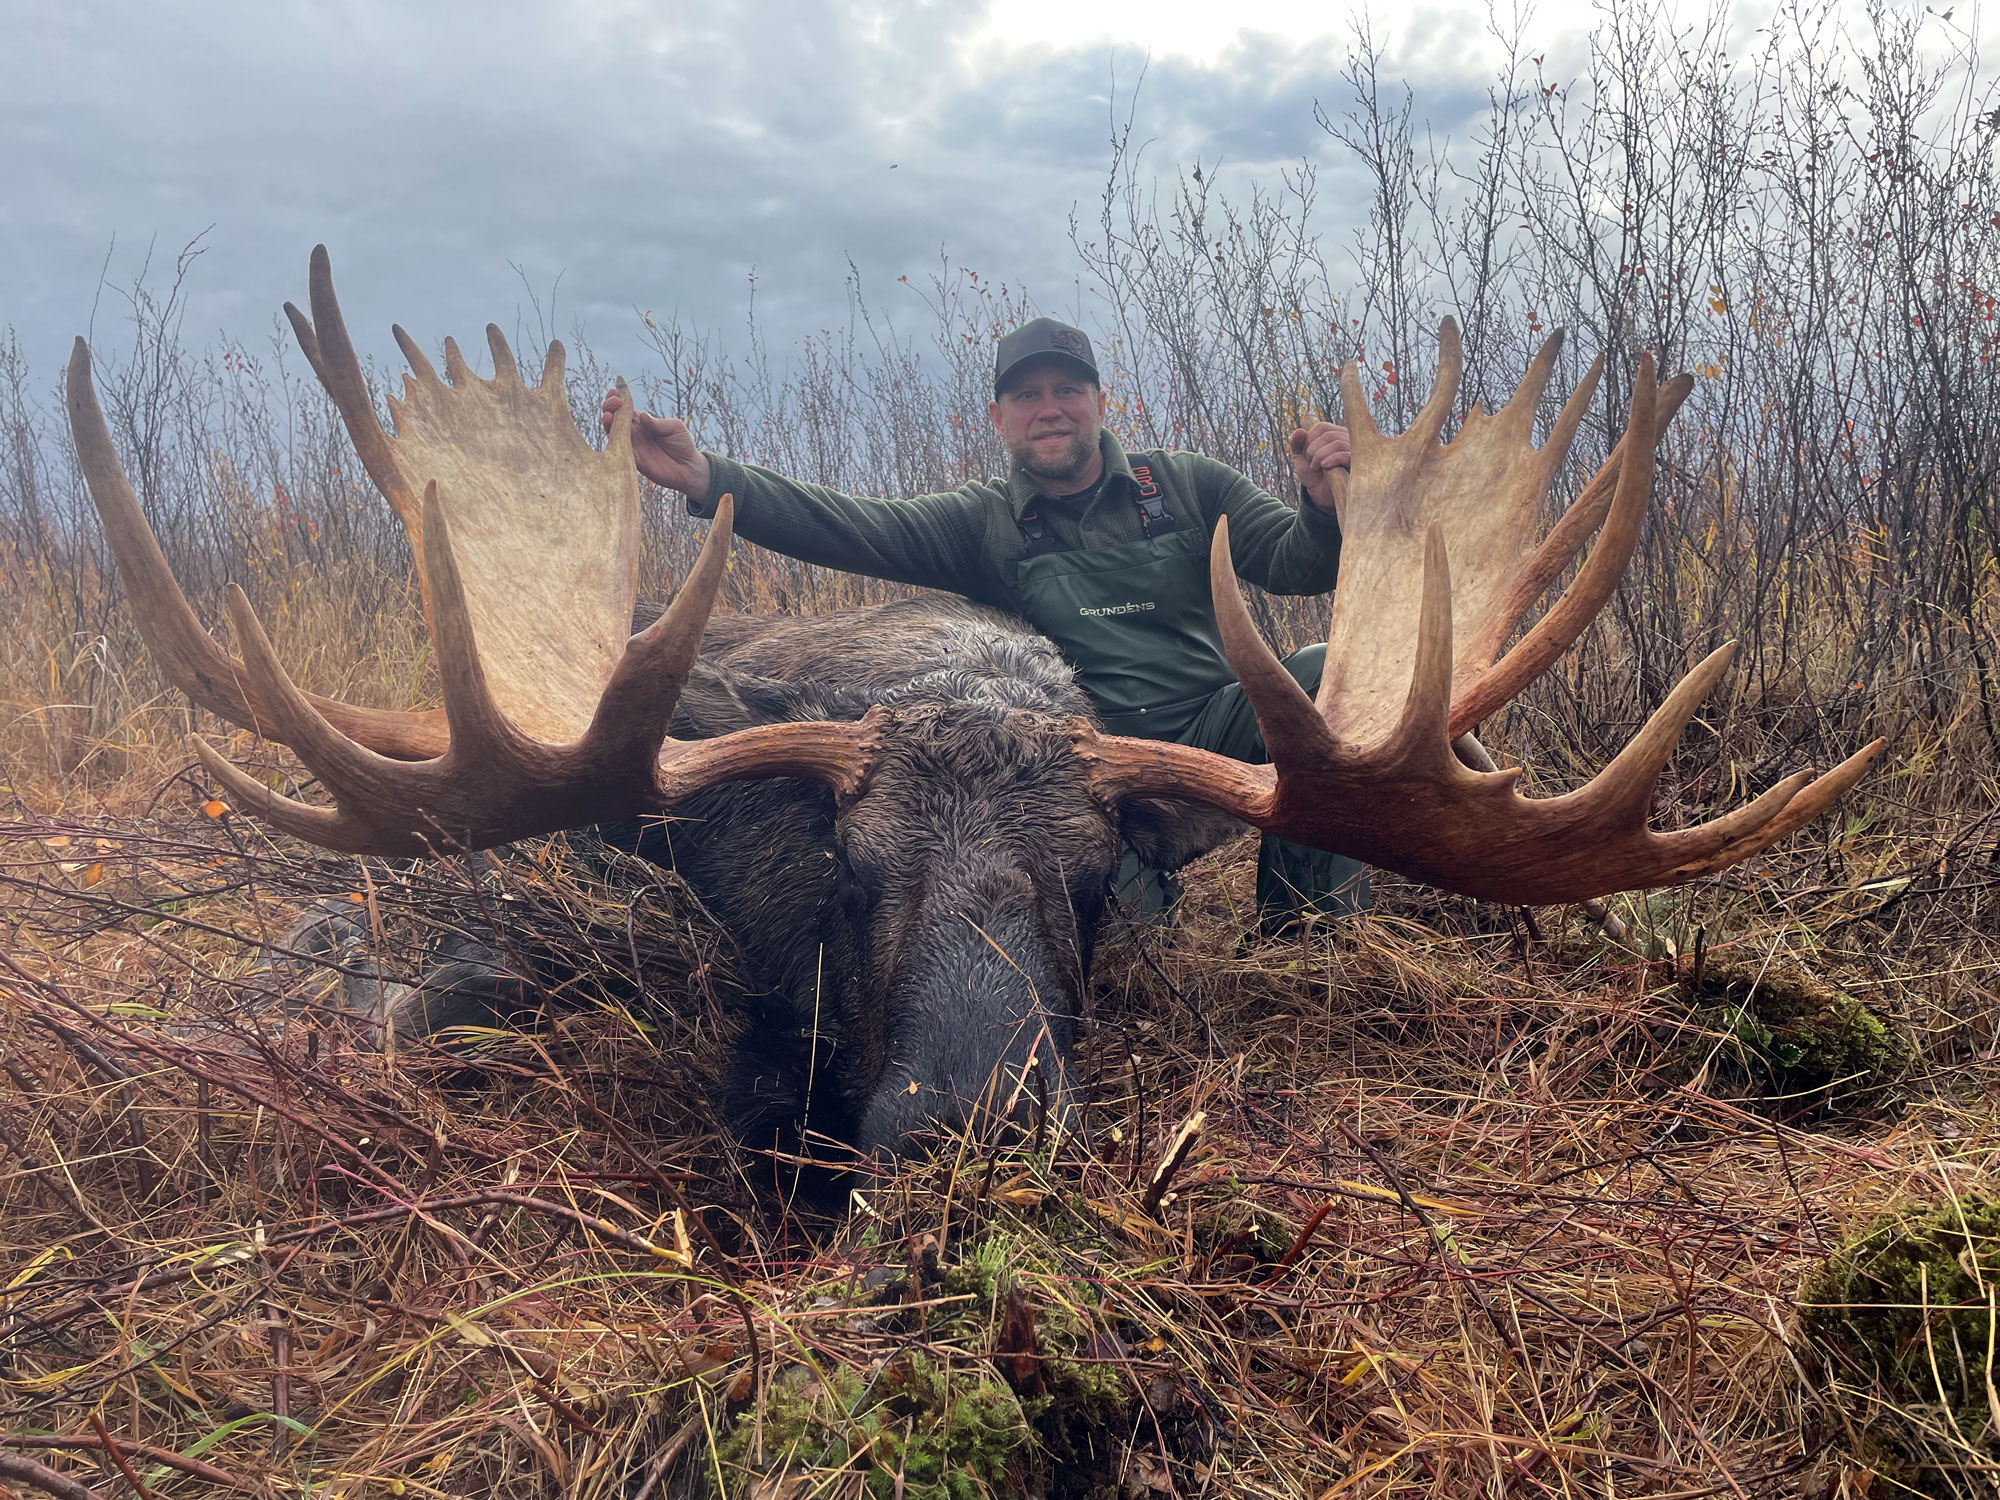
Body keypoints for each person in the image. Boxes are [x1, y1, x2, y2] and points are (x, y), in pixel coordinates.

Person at [601, 316, 1367, 932]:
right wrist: (706, 477)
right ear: (1000, 418)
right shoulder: (982, 521)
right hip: (1081, 773)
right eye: (1028, 396)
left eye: (1068, 388)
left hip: (1212, 729)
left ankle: (1305, 934)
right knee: (1131, 941)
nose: (1050, 408)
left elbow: (1302, 566)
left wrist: (1322, 508)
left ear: (1103, 403)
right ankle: (1143, 896)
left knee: (1329, 674)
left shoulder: (1186, 483)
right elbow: (848, 525)